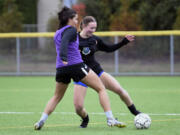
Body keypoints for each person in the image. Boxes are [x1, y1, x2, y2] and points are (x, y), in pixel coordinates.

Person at [34, 7, 126, 130]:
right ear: (69, 19)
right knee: (101, 88)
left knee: (56, 97)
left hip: (61, 68)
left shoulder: (57, 32)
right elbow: (65, 42)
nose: (77, 22)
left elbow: (65, 42)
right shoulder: (71, 30)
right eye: (76, 19)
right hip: (75, 66)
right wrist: (64, 55)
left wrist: (63, 57)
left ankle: (41, 121)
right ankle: (110, 119)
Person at [74, 16, 141, 128]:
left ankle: (136, 112)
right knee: (78, 107)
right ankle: (85, 118)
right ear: (84, 26)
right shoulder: (74, 39)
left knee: (119, 90)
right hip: (81, 74)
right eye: (91, 28)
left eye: (95, 28)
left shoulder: (95, 39)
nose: (93, 30)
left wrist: (124, 42)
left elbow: (109, 49)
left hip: (96, 71)